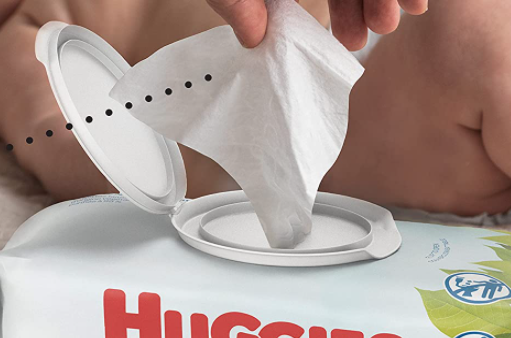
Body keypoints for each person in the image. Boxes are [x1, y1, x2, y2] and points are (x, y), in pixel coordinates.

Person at [6, 0, 510, 224]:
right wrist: (210, 176)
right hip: (333, 116)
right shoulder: (32, 30)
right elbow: (66, 142)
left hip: (370, 40)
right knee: (472, 32)